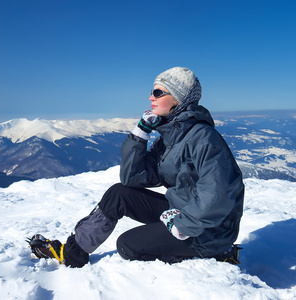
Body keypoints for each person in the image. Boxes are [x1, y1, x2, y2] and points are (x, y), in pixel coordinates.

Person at [27, 67, 244, 267]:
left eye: (158, 93)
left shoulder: (204, 138)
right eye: (152, 91)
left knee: (128, 245)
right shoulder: (171, 138)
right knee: (118, 194)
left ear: (179, 99)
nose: (151, 97)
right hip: (181, 212)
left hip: (209, 231)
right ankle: (72, 253)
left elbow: (218, 194)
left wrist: (182, 226)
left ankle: (216, 254)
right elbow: (132, 178)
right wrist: (140, 135)